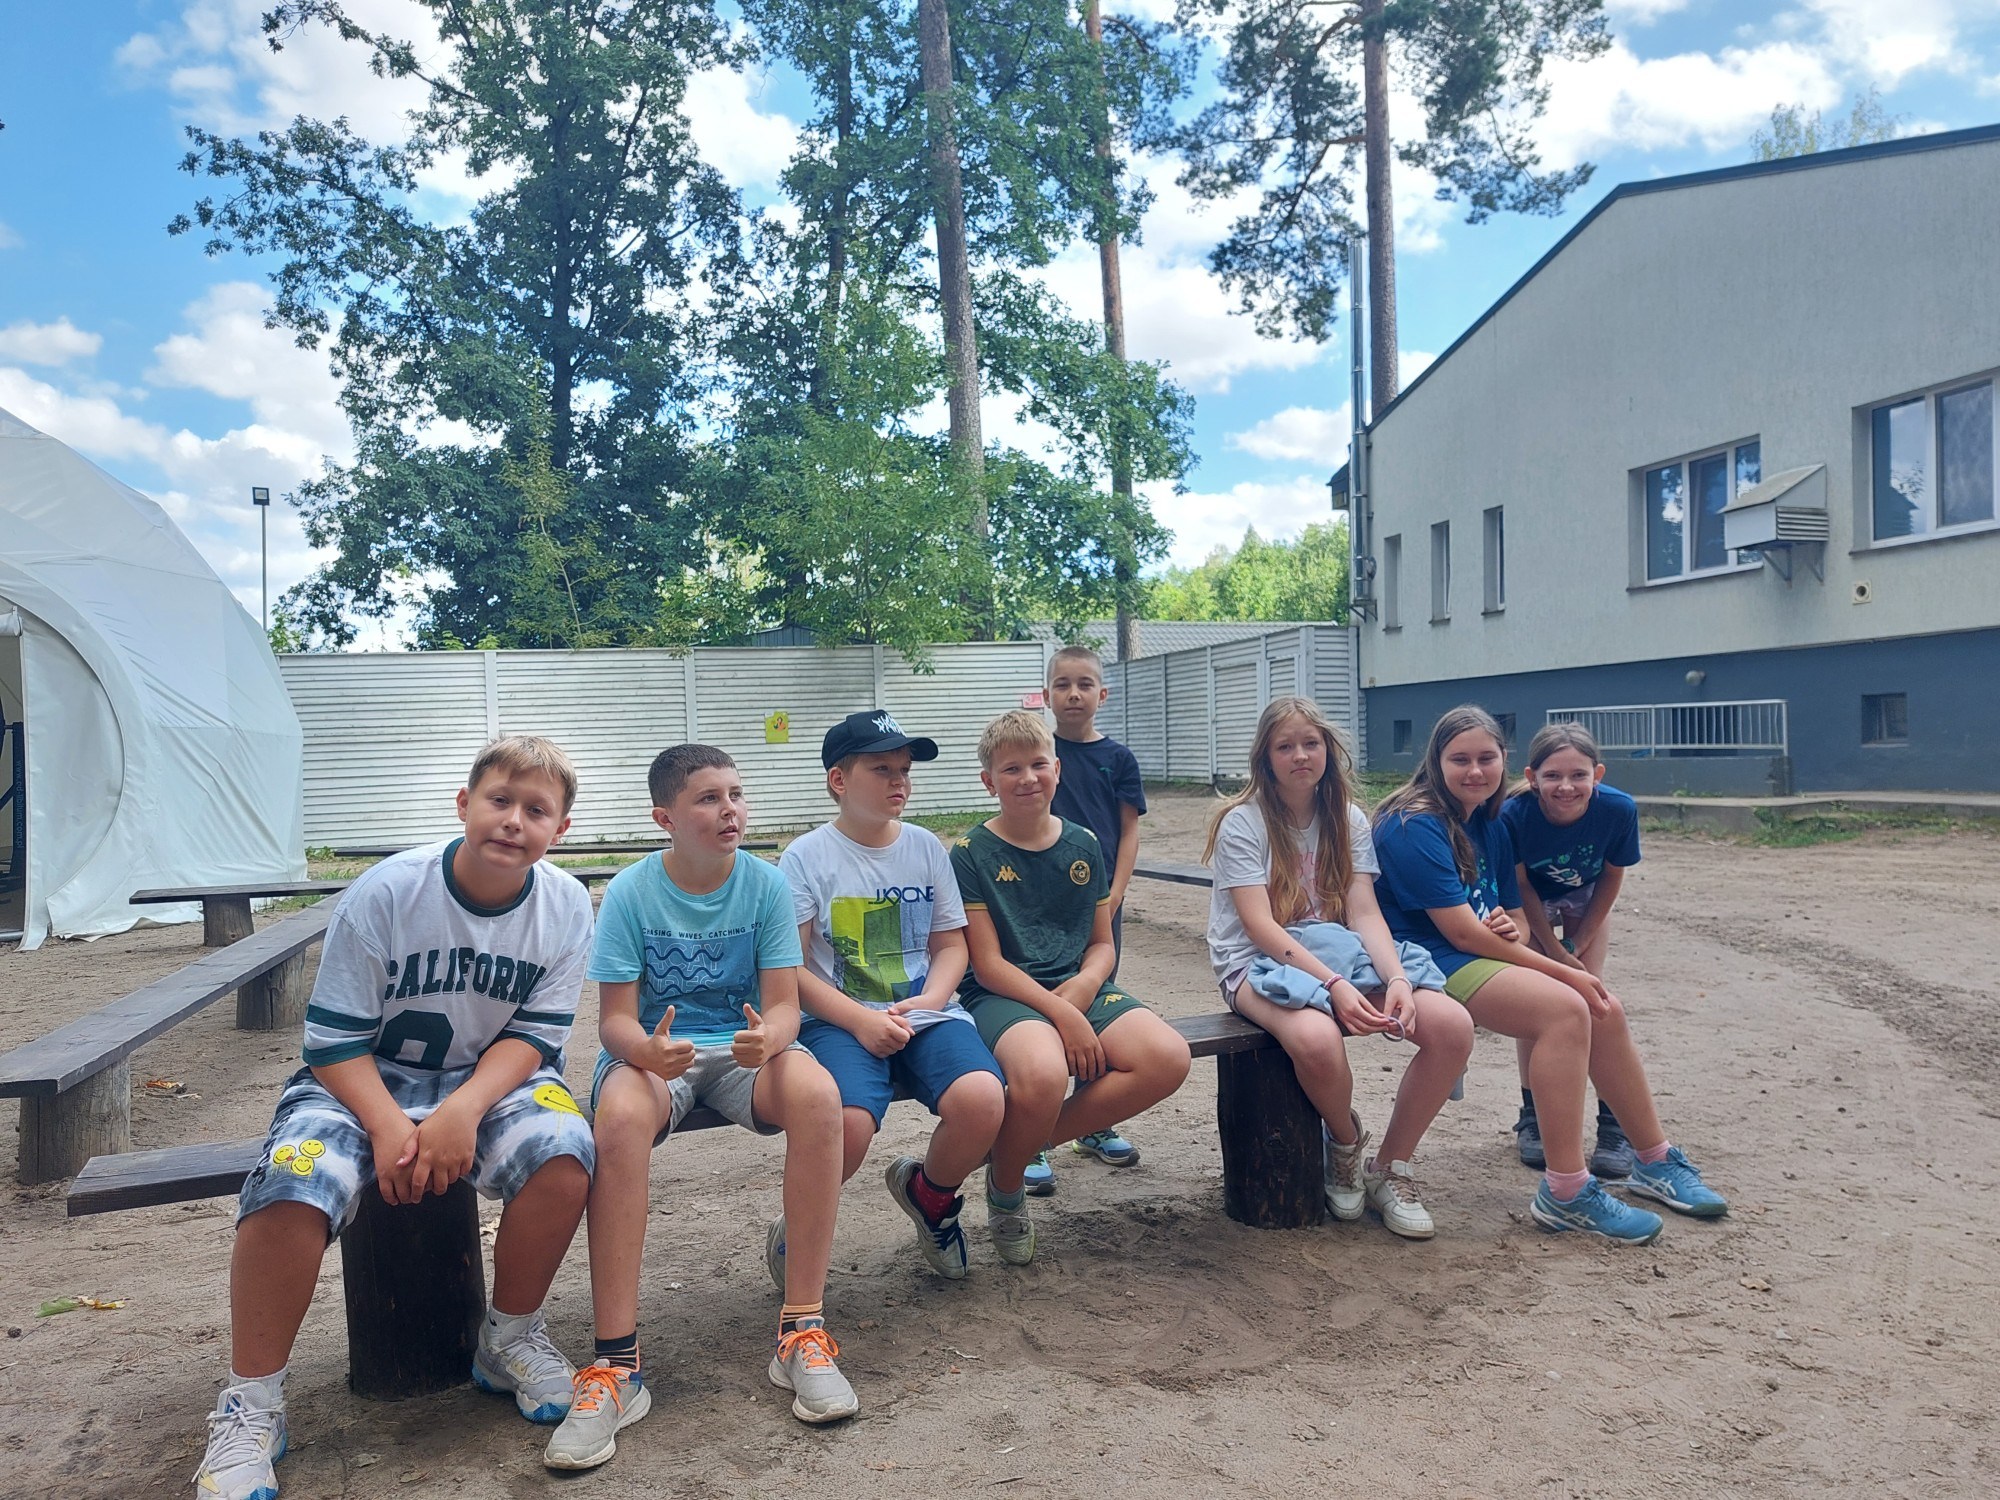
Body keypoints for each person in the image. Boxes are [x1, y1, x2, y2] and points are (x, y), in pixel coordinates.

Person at [196, 736, 597, 1500]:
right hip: (360, 1080)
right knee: (292, 1182)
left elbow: (535, 1036)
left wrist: (461, 1110)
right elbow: (332, 1044)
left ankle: (509, 1338)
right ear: (464, 804)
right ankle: (252, 1402)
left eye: (537, 809)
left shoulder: (566, 904)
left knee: (565, 1149)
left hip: (488, 1078)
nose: (514, 820)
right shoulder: (386, 892)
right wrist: (387, 1126)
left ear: (561, 829)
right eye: (499, 800)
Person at [544, 745, 851, 1473]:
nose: (730, 810)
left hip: (746, 1053)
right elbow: (614, 1022)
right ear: (667, 818)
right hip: (659, 1058)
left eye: (736, 795)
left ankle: (802, 1332)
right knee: (619, 1118)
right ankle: (617, 1367)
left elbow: (785, 1007)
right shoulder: (630, 892)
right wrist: (645, 1053)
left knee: (818, 1095)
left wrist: (770, 1038)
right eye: (709, 798)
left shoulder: (766, 885)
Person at [1371, 706, 1727, 1245]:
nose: (1475, 771)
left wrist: (1511, 928)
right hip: (1419, 959)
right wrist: (1565, 971)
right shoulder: (1414, 824)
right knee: (1567, 1007)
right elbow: (1461, 935)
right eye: (1460, 760)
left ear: (1504, 760)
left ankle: (1654, 1160)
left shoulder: (1489, 822)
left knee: (1604, 1008)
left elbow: (1513, 916)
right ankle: (1566, 1192)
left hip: (1469, 951)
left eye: (1486, 758)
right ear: (1435, 762)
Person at [1204, 698, 1473, 1239]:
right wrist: (1333, 985)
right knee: (1317, 1039)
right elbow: (1259, 926)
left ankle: (1390, 1167)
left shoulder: (1347, 817)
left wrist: (1397, 978)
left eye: (1311, 743)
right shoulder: (1243, 822)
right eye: (1285, 746)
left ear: (1328, 749)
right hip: (1256, 962)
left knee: (1452, 1026)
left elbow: (1364, 911)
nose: (1300, 755)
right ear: (1265, 757)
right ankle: (1345, 1142)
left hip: (1336, 952)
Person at [951, 711, 1191, 1265]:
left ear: (1057, 770)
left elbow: (1102, 944)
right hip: (1003, 995)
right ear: (988, 781)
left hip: (1079, 986)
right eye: (1011, 769)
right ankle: (1009, 1192)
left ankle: (1013, 1151)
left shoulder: (1084, 843)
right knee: (1043, 1074)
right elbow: (987, 965)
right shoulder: (969, 853)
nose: (1027, 778)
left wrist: (1083, 989)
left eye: (1038, 764)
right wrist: (1065, 1016)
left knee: (1168, 1058)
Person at [779, 711, 1006, 1281]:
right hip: (838, 1020)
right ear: (839, 780)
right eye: (882, 769)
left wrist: (932, 999)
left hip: (927, 1012)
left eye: (904, 769)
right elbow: (791, 970)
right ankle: (799, 1225)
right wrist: (860, 1021)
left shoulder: (926, 847)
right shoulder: (805, 858)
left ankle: (930, 1196)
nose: (899, 781)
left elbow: (951, 946)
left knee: (983, 1101)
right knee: (847, 1126)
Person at [1499, 722, 1645, 1177]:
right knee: (1540, 1005)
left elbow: (1612, 877)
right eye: (1553, 776)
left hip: (1586, 897)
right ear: (1532, 776)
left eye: (1579, 775)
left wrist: (1578, 945)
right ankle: (1534, 1118)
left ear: (1597, 774)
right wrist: (1553, 952)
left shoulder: (1617, 809)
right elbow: (1521, 887)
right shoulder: (1514, 814)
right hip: (1531, 903)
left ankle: (1615, 1125)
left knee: (1593, 1001)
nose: (1566, 786)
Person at [1045, 644, 1149, 1187]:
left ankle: (1093, 1118)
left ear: (1102, 694)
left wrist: (1115, 894)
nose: (1074, 694)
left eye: (1084, 684)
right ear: (1046, 695)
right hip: (1043, 904)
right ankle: (1032, 1118)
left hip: (1102, 904)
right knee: (1042, 1001)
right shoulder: (1039, 754)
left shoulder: (1120, 759)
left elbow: (1129, 831)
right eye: (1062, 684)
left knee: (1097, 998)